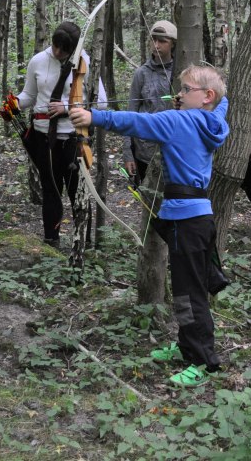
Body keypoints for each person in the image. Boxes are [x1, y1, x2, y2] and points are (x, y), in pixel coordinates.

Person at [69, 65, 229, 387]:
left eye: (186, 90)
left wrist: (93, 118)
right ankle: (187, 345)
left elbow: (137, 122)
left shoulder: (179, 121)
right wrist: (218, 93)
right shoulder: (214, 119)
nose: (178, 95)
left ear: (206, 96)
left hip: (188, 221)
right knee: (185, 288)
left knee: (189, 294)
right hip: (196, 218)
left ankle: (203, 362)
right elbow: (225, 101)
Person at [13, 21, 106, 249]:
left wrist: (67, 109)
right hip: (43, 138)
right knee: (51, 191)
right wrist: (15, 103)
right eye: (55, 46)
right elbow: (29, 95)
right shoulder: (38, 60)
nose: (57, 52)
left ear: (73, 49)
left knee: (78, 194)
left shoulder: (85, 62)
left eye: (63, 49)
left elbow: (101, 103)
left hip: (75, 139)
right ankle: (51, 242)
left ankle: (82, 244)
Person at [123, 20, 176, 183]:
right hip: (144, 151)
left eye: (162, 41)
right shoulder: (141, 74)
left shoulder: (181, 71)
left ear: (172, 44)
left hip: (173, 151)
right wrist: (127, 152)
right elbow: (130, 113)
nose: (156, 45)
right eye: (153, 40)